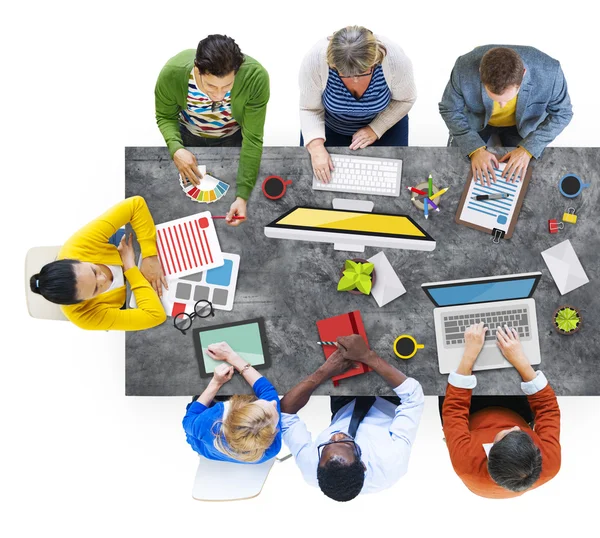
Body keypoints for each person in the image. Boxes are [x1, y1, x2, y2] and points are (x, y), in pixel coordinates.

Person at [280, 335, 424, 501]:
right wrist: (367, 356)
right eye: (347, 444)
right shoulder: (392, 462)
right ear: (362, 465)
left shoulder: (310, 466)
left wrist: (327, 370)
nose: (337, 436)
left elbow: (285, 412)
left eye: (327, 445)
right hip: (391, 399)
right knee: (393, 341)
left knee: (342, 334)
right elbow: (413, 397)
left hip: (344, 406)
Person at [155, 34, 269, 226]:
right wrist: (176, 148)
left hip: (234, 138)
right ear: (197, 69)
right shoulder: (171, 73)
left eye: (227, 87)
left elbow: (253, 138)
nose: (218, 95)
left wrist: (242, 197)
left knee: (230, 193)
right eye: (211, 86)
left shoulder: (256, 77)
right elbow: (165, 117)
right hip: (188, 136)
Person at [440, 323, 561, 499]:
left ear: (490, 449)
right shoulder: (550, 462)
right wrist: (520, 360)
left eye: (506, 433)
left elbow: (454, 411)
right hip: (515, 411)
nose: (515, 428)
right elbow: (547, 409)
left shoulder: (465, 462)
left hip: (469, 419)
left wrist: (469, 355)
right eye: (523, 434)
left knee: (449, 388)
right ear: (536, 453)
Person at [439, 45, 573, 185]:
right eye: (495, 98)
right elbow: (450, 109)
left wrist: (528, 149)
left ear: (523, 74)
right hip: (476, 120)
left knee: (527, 178)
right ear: (480, 73)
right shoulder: (463, 66)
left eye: (507, 99)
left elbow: (562, 113)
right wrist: (474, 149)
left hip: (522, 125)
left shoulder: (551, 71)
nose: (502, 105)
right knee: (455, 173)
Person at [29, 196, 167, 331]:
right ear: (81, 302)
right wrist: (130, 268)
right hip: (131, 292)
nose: (103, 279)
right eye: (96, 288)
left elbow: (135, 205)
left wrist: (150, 256)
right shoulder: (83, 316)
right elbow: (155, 316)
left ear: (76, 259)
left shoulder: (77, 246)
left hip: (125, 249)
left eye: (94, 271)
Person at [299, 26, 417, 183]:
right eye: (345, 74)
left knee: (389, 184)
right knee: (313, 184)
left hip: (386, 125)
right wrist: (315, 147)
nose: (354, 80)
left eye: (362, 73)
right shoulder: (315, 59)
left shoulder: (394, 59)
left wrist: (376, 128)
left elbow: (405, 99)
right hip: (330, 126)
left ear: (375, 61)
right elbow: (309, 108)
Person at [183, 342, 281, 463]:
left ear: (238, 409)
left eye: (258, 403)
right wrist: (231, 357)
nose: (273, 403)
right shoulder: (272, 448)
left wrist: (216, 382)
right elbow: (267, 391)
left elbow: (188, 419)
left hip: (203, 445)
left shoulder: (208, 422)